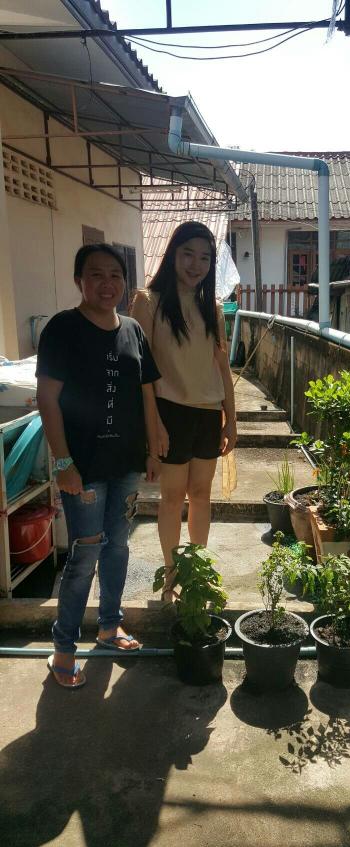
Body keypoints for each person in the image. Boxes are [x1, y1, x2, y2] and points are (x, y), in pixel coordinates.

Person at [36, 243, 161, 688]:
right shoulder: (62, 328)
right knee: (84, 555)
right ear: (79, 281)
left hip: (125, 463)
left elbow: (146, 392)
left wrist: (152, 449)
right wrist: (63, 462)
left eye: (115, 275)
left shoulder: (132, 330)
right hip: (83, 467)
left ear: (125, 283)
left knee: (118, 547)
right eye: (96, 275)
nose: (107, 283)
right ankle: (64, 649)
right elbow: (47, 398)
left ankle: (109, 625)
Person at [131, 221, 237, 601]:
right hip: (170, 413)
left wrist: (231, 420)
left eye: (205, 258)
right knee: (172, 498)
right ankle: (171, 576)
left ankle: (197, 574)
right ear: (173, 254)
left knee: (202, 495)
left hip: (208, 415)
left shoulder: (213, 309)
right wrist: (153, 425)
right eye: (188, 254)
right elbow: (141, 373)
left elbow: (222, 367)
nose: (196, 265)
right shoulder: (148, 302)